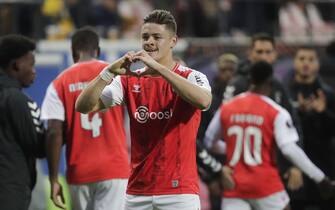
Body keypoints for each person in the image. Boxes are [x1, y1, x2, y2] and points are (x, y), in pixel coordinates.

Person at [76, 10, 212, 210]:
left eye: (157, 37)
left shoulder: (191, 76)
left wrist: (160, 70)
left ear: (173, 41)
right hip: (137, 192)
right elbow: (83, 106)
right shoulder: (130, 80)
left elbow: (204, 101)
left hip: (179, 192)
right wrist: (107, 72)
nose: (149, 42)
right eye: (145, 37)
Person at [205, 61, 334, 210]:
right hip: (265, 185)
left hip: (234, 184)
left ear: (250, 80)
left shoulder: (227, 107)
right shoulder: (276, 111)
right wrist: (321, 179)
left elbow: (209, 141)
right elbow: (289, 149)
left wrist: (233, 149)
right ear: (270, 82)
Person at [41, 27, 129, 210]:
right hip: (114, 168)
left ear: (73, 53)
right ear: (97, 50)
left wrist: (54, 179)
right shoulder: (115, 75)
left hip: (79, 172)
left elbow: (53, 132)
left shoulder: (59, 83)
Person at [223, 33, 304, 193]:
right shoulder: (237, 85)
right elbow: (221, 127)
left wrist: (296, 164)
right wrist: (221, 167)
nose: (263, 56)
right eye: (259, 52)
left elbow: (293, 126)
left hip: (272, 169)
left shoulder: (278, 85)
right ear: (250, 54)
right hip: (238, 172)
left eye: (268, 52)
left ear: (275, 55)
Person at [284, 47, 335, 210]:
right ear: (295, 62)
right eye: (302, 58)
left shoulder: (329, 95)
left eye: (311, 59)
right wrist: (299, 112)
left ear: (318, 64)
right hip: (295, 169)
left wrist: (323, 113)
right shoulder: (284, 94)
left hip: (324, 165)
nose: (306, 63)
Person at [0, 34, 45, 210]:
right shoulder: (20, 100)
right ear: (16, 65)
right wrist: (60, 130)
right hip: (11, 190)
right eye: (31, 64)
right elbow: (38, 146)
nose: (34, 70)